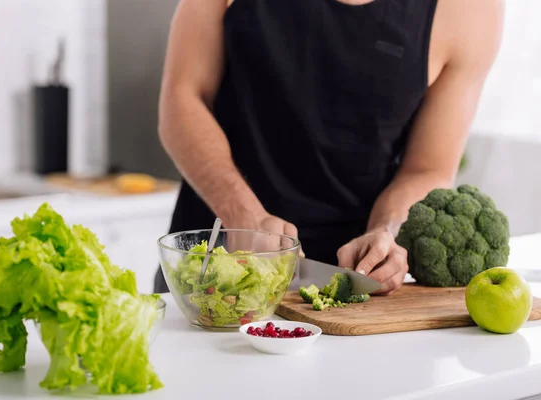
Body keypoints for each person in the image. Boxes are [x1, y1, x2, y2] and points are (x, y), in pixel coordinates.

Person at [153, 0, 505, 295]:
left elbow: (429, 168)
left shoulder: (471, 9)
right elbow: (183, 100)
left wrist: (387, 230)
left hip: (350, 290)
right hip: (211, 272)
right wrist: (242, 215)